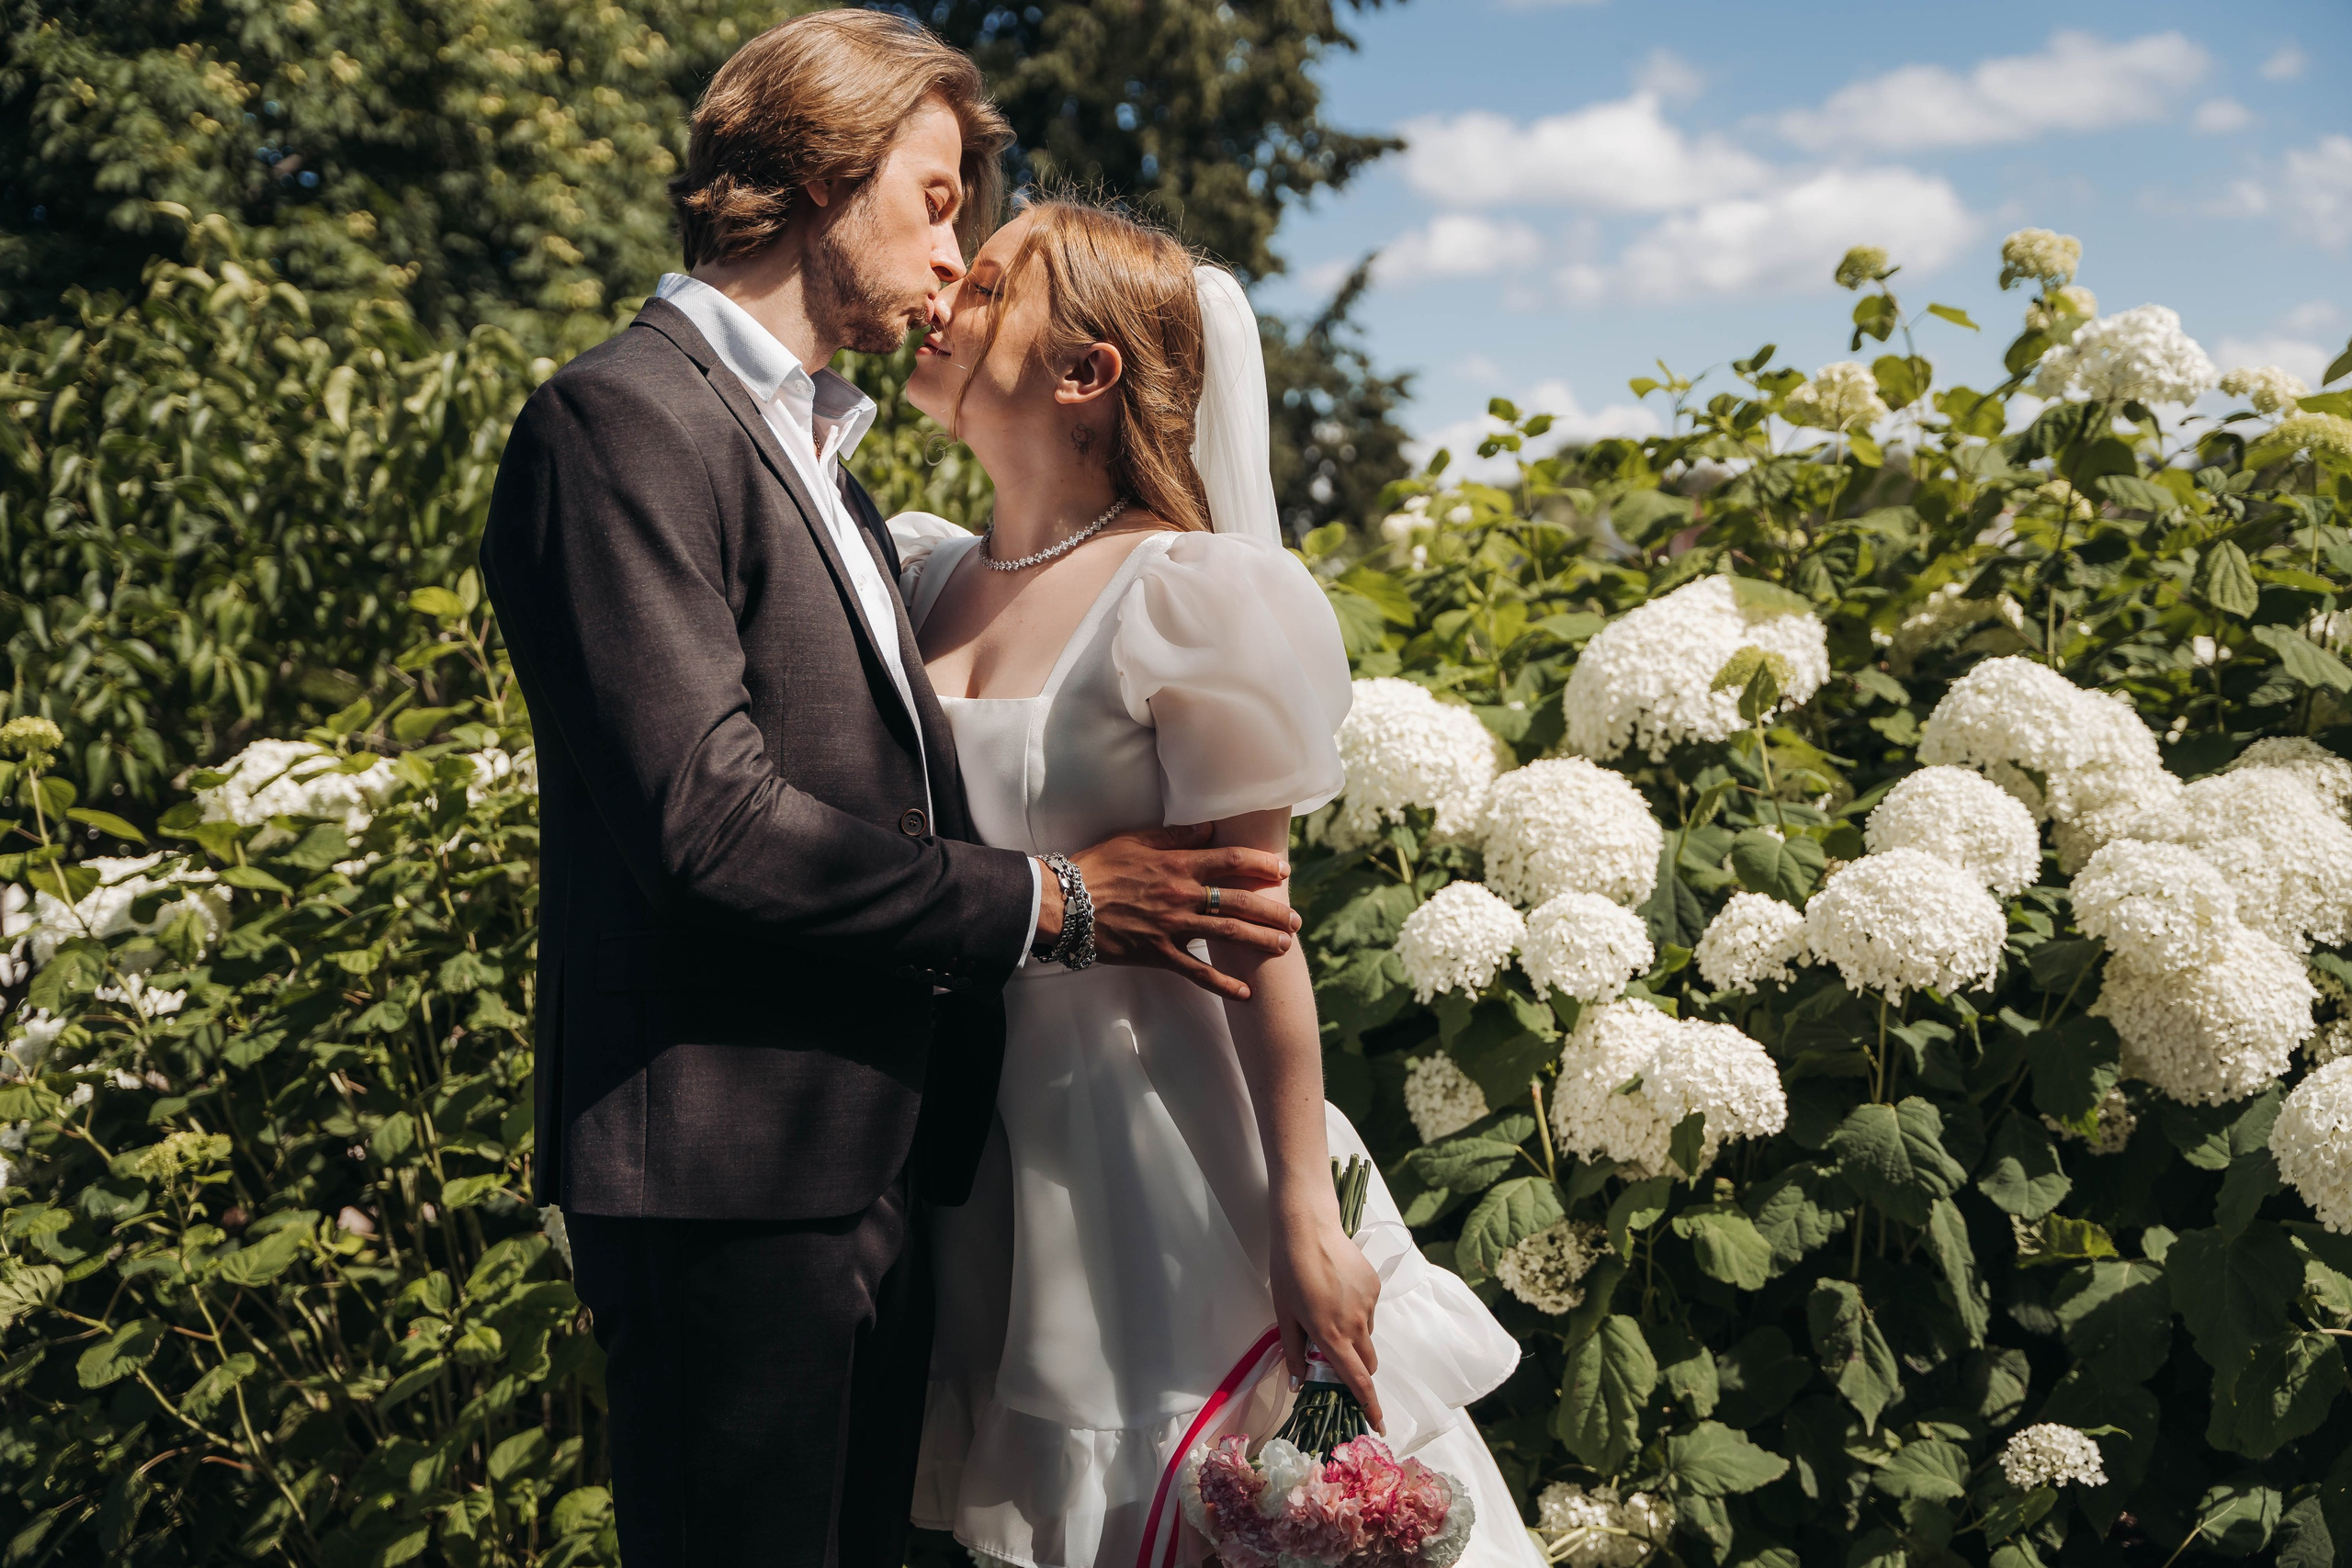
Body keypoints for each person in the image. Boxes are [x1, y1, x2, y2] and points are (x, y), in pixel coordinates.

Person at [479, 16, 1306, 1567]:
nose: (958, 252)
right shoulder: (620, 423)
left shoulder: (829, 463)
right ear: (816, 173)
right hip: (728, 1172)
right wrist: (1060, 903)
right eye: (936, 201)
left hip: (879, 1164)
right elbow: (708, 824)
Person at [897, 198, 1544, 1568]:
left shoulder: (1193, 594)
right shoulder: (918, 571)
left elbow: (1262, 930)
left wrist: (1301, 1215)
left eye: (994, 283)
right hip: (989, 1158)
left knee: (1247, 1505)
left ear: (1086, 373)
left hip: (1166, 1141)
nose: (946, 290)